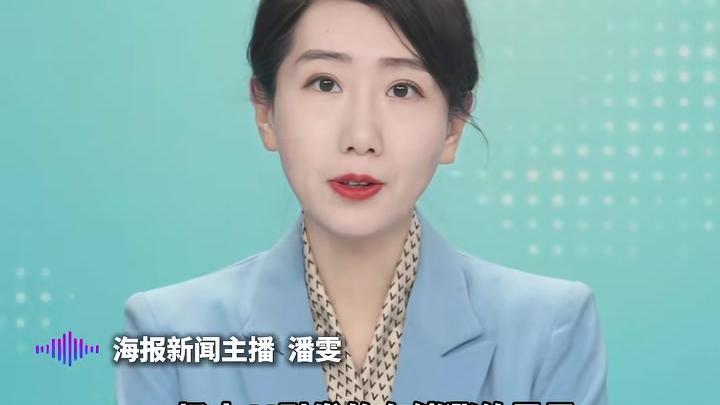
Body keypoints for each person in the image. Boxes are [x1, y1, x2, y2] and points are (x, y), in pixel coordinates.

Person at [115, 0, 608, 404]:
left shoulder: (549, 331)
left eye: (402, 89)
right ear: (265, 111)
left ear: (452, 127)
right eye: (325, 83)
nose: (361, 137)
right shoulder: (169, 337)